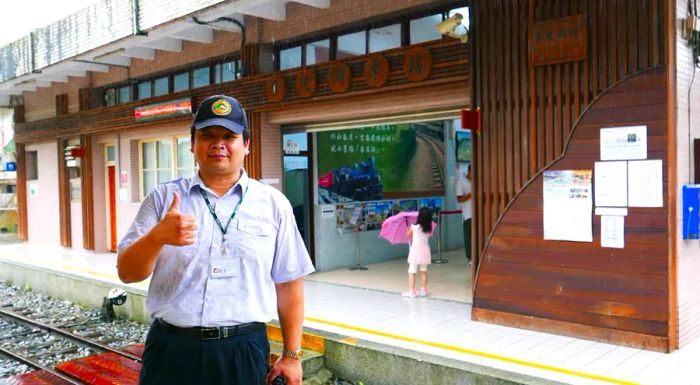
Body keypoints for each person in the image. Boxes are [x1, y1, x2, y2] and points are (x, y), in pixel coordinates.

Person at [117, 95, 315, 385]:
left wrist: (291, 355)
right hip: (172, 349)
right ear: (193, 144)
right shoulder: (162, 199)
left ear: (246, 145)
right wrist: (157, 237)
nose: (218, 144)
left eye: (229, 136)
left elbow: (288, 283)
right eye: (207, 135)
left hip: (243, 350)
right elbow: (127, 272)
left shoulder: (273, 204)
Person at [401, 207, 433, 298]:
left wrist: (408, 228)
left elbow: (408, 235)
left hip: (415, 251)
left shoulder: (414, 227)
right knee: (424, 271)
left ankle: (412, 291)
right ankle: (423, 290)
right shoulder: (428, 228)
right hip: (425, 251)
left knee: (412, 271)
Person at [456, 163, 472, 265]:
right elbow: (459, 198)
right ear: (469, 171)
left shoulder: (478, 182)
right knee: (468, 237)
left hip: (478, 215)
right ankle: (469, 258)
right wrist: (470, 195)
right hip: (467, 215)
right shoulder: (462, 182)